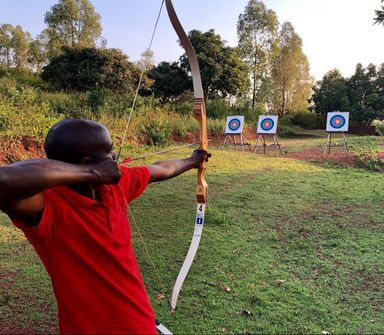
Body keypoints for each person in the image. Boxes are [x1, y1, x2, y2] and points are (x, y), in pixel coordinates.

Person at [0, 119, 209, 334]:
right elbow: (3, 179)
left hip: (141, 323)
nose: (114, 157)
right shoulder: (47, 206)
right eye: (108, 153)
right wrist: (93, 173)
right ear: (87, 162)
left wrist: (193, 161)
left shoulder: (115, 187)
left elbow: (161, 169)